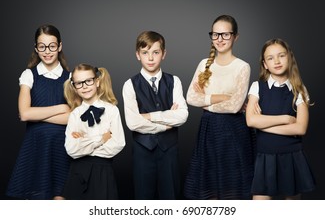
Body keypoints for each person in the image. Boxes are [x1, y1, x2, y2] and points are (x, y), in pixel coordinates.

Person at [184, 14, 256, 200]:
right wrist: (222, 97)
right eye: (215, 35)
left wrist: (207, 102)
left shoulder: (242, 67)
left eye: (225, 35)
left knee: (233, 183)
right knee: (209, 183)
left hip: (234, 131)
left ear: (235, 37)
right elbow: (191, 97)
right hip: (209, 130)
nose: (219, 39)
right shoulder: (204, 64)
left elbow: (235, 107)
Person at [6, 24, 71, 200]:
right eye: (42, 46)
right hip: (36, 147)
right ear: (36, 48)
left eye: (52, 46)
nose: (47, 51)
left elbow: (73, 119)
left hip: (62, 149)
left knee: (60, 201)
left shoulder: (70, 78)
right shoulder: (29, 75)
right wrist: (61, 108)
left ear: (59, 46)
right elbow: (25, 114)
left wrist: (38, 115)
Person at [245, 38, 316, 200]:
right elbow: (250, 121)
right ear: (264, 64)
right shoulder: (257, 87)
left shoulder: (300, 89)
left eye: (281, 56)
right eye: (270, 58)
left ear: (289, 58)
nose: (276, 61)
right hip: (265, 156)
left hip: (291, 157)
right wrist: (285, 118)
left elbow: (300, 129)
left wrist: (263, 124)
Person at [122, 30, 189, 200]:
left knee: (171, 198)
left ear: (164, 54)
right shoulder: (129, 85)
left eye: (155, 52)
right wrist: (166, 123)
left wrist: (148, 116)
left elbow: (182, 116)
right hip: (142, 153)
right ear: (138, 55)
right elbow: (133, 123)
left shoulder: (174, 81)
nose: (150, 58)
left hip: (170, 152)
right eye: (145, 53)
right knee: (144, 200)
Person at [62, 63, 125, 199]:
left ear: (97, 82)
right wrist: (101, 139)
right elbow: (72, 150)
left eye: (88, 81)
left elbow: (118, 143)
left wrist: (83, 142)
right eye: (79, 83)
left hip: (103, 172)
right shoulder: (74, 114)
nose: (84, 86)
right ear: (74, 87)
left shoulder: (111, 110)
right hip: (78, 172)